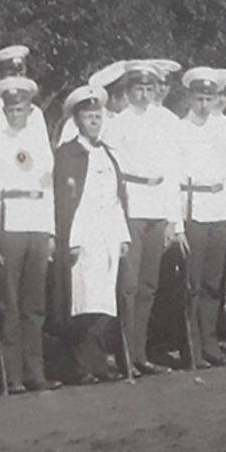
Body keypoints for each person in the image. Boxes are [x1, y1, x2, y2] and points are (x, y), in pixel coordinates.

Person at [0, 75, 58, 393]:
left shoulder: (39, 140)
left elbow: (48, 187)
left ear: (30, 108)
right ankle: (11, 375)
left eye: (21, 108)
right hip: (9, 226)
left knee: (34, 305)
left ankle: (35, 372)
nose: (16, 114)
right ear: (4, 110)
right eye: (11, 109)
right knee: (8, 304)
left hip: (37, 225)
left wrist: (50, 232)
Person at [105, 62, 183, 376]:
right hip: (132, 207)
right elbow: (113, 174)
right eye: (139, 88)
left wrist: (172, 220)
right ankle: (124, 353)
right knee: (129, 285)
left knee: (149, 284)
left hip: (157, 206)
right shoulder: (118, 123)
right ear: (128, 90)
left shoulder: (165, 121)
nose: (145, 94)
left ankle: (140, 353)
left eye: (150, 88)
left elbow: (172, 171)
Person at [53, 85, 130, 383]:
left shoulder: (108, 155)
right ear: (77, 120)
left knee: (103, 300)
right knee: (82, 301)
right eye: (88, 116)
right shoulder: (67, 154)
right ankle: (81, 365)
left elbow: (116, 199)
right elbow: (65, 203)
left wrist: (123, 237)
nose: (94, 121)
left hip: (107, 236)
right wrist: (71, 240)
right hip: (82, 238)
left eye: (98, 116)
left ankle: (99, 363)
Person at [175, 68, 226, 367]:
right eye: (199, 98)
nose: (204, 105)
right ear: (189, 97)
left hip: (218, 210)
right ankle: (192, 347)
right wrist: (177, 226)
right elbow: (173, 180)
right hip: (193, 210)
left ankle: (210, 344)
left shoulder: (222, 128)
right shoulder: (179, 129)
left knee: (214, 282)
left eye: (209, 98)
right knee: (193, 283)